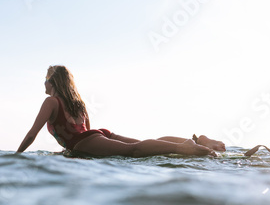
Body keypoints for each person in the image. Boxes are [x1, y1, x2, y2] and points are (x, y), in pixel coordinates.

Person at [17, 65, 226, 157]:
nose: (43, 83)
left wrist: (16, 157)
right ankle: (195, 142)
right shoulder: (77, 102)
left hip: (87, 141)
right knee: (142, 144)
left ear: (52, 82)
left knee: (134, 151)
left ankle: (185, 147)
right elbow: (86, 130)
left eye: (45, 79)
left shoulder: (51, 102)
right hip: (96, 136)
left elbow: (32, 134)